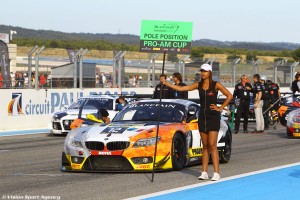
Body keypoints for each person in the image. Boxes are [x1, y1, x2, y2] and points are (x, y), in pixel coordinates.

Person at [163, 63, 232, 181]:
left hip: (213, 117)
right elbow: (181, 88)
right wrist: (166, 83)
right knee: (205, 146)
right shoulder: (198, 85)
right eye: (201, 71)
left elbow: (229, 96)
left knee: (212, 145)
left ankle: (216, 173)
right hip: (202, 117)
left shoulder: (216, 85)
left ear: (209, 72)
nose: (203, 73)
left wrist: (220, 108)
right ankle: (204, 172)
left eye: (205, 71)